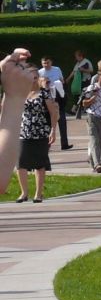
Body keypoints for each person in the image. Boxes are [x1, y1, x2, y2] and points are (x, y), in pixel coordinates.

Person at [11, 74, 56, 203]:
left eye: (35, 77)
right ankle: (24, 193)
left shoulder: (44, 94)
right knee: (20, 163)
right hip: (23, 132)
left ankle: (38, 194)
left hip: (41, 133)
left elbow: (53, 113)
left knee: (40, 163)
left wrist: (53, 130)